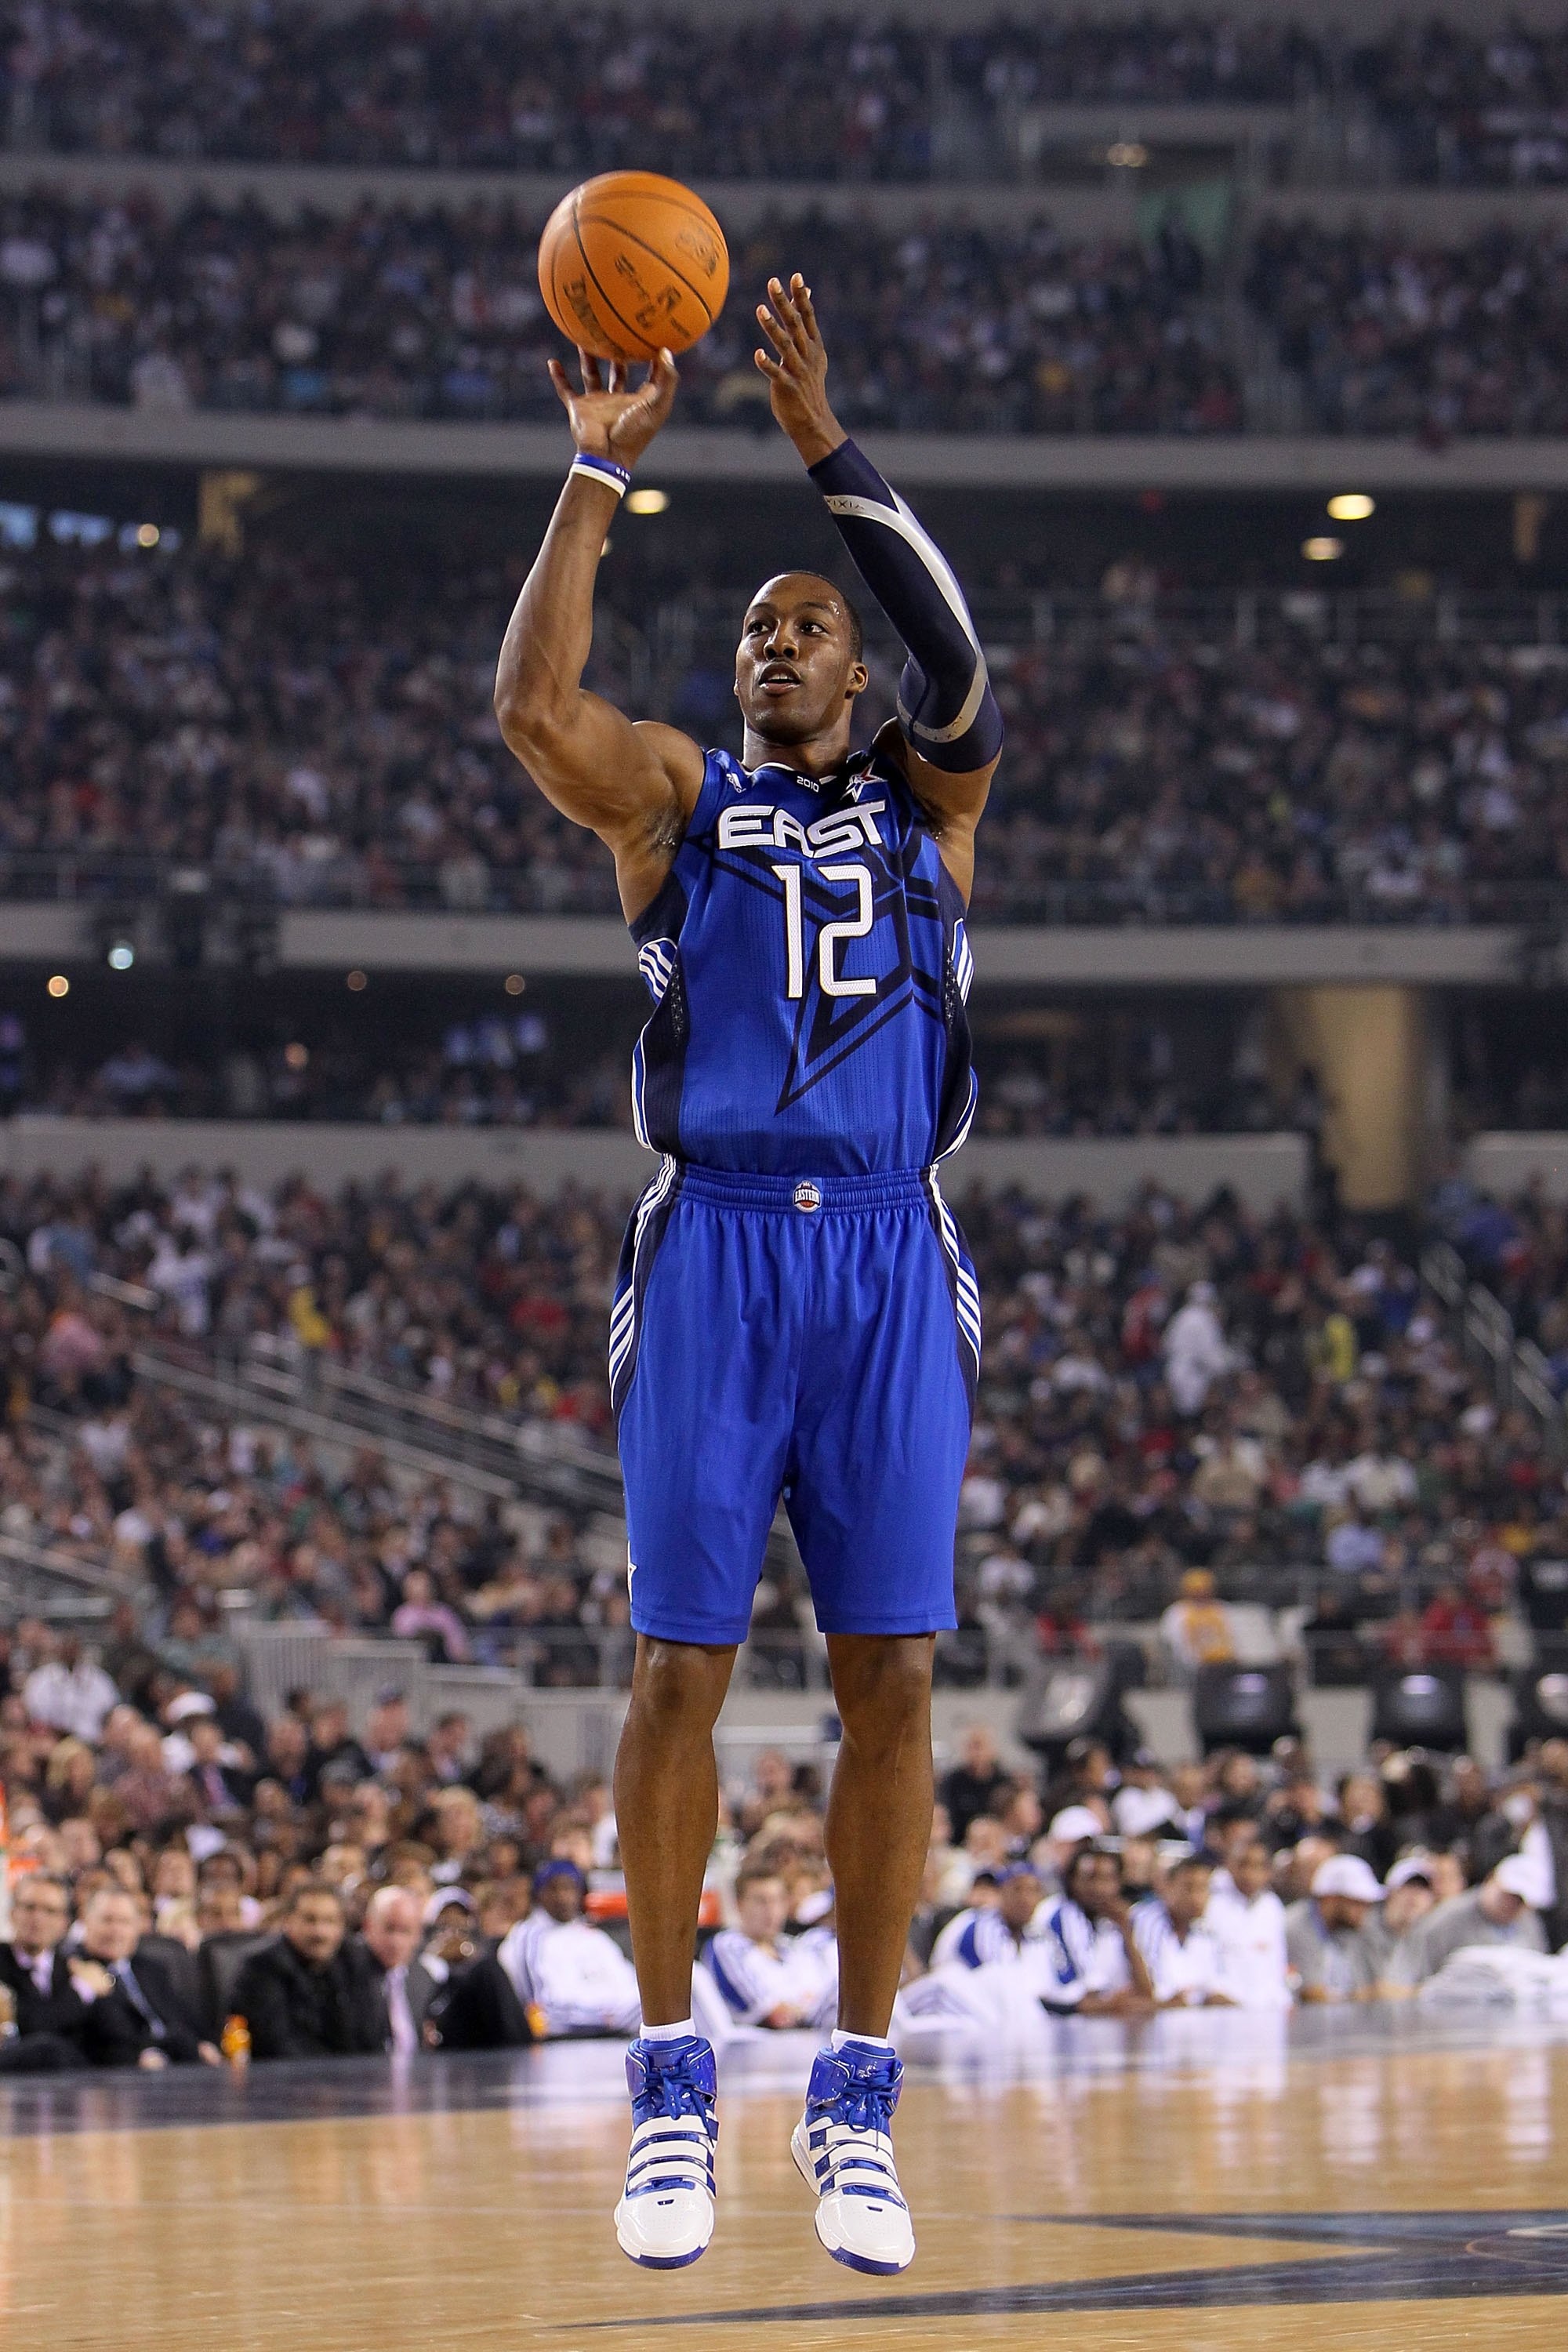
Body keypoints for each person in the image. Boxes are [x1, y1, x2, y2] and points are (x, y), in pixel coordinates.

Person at [494, 267, 1002, 2276]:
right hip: (710, 1243)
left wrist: (821, 448)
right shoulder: (680, 804)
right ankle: (672, 2084)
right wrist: (586, 483)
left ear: (852, 682)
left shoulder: (930, 804)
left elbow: (963, 661)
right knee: (675, 1669)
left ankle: (856, 2102)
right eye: (747, 630)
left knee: (891, 1674)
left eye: (798, 627)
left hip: (889, 1255)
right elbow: (532, 710)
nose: (766, 642)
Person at [230, 1882, 384, 2060]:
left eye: (329, 1921)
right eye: (310, 1920)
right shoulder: (260, 1967)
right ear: (288, 1921)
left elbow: (370, 2035)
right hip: (284, 2081)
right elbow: (277, 2044)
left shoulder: (355, 1961)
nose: (320, 1932)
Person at [71, 1886, 218, 2068]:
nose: (116, 1930)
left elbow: (184, 2017)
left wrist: (203, 2044)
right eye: (107, 1920)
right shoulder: (76, 1968)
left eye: (124, 1922)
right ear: (86, 1921)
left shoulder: (152, 1968)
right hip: (125, 2072)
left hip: (180, 2063)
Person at [494, 1861, 642, 2038]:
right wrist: (606, 2019)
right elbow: (541, 2011)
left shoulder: (594, 1937)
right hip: (565, 2043)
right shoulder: (526, 1937)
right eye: (554, 1889)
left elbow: (633, 1989)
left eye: (570, 1888)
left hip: (617, 2032)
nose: (563, 1897)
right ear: (539, 1894)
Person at [702, 1864, 838, 2030]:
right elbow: (776, 2017)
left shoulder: (794, 1948)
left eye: (777, 1900)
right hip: (758, 2046)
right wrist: (806, 2006)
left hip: (811, 2040)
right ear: (739, 1904)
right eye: (761, 1901)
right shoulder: (728, 1946)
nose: (771, 1910)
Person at [1035, 1848, 1155, 2015]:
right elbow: (1063, 1994)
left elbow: (1147, 1992)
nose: (1098, 1888)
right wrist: (1106, 2004)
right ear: (1072, 1880)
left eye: (1107, 1879)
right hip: (1061, 2022)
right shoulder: (1055, 1914)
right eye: (1089, 1878)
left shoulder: (1122, 1919)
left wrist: (1126, 1931)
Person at [1401, 1853, 1552, 1984]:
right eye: (1508, 1895)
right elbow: (1417, 1979)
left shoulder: (1528, 1921)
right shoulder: (1449, 1919)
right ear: (1491, 1879)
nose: (1512, 1904)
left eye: (1520, 1901)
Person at [0, 1874, 92, 2070]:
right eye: (29, 1907)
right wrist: (82, 1991)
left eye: (50, 1911)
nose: (38, 1918)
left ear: (64, 1922)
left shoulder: (73, 1967)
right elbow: (32, 2026)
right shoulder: (82, 1981)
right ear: (13, 1912)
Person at [1131, 1857, 1233, 2006]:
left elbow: (1213, 1987)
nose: (1197, 1898)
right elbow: (1152, 1993)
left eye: (1203, 1888)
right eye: (1189, 1888)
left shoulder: (1205, 1930)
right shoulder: (1147, 1921)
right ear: (1168, 1888)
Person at [1204, 1836, 1290, 2009]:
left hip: (1269, 2009)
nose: (1249, 1874)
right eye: (1243, 1864)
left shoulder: (1272, 1906)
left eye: (1258, 1866)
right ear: (1229, 1865)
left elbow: (1277, 1963)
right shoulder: (1211, 1904)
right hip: (1226, 2007)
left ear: (1268, 1871)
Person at [354, 1885, 442, 2054]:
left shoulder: (424, 1980)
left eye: (405, 1931)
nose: (396, 1942)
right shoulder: (347, 1977)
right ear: (368, 1927)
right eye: (389, 1929)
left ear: (418, 1935)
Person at [1284, 1854, 1382, 2002]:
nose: (1364, 1912)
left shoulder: (1347, 1932)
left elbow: (1362, 1984)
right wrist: (1357, 1996)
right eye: (1356, 1903)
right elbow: (1311, 1993)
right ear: (1330, 1899)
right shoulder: (1296, 1926)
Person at [930, 1861, 1048, 1970]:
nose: (1025, 1899)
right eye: (1017, 1889)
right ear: (1001, 1892)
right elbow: (998, 1983)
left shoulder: (1034, 1934)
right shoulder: (979, 1924)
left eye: (1033, 1891)